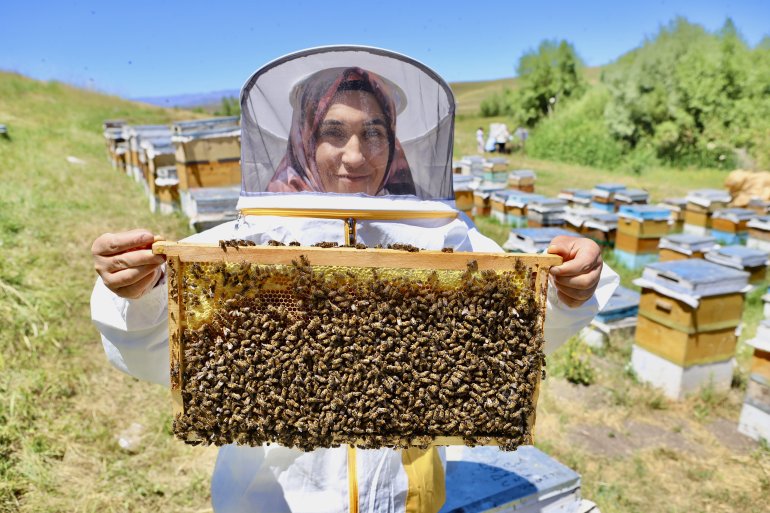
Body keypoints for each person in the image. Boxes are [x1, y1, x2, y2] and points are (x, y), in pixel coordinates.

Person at [91, 49, 618, 513]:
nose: (356, 155)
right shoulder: (243, 244)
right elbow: (157, 354)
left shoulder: (444, 239)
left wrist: (567, 290)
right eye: (333, 132)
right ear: (304, 137)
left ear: (394, 141)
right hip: (275, 502)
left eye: (374, 132)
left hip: (406, 500)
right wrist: (139, 294)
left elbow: (513, 335)